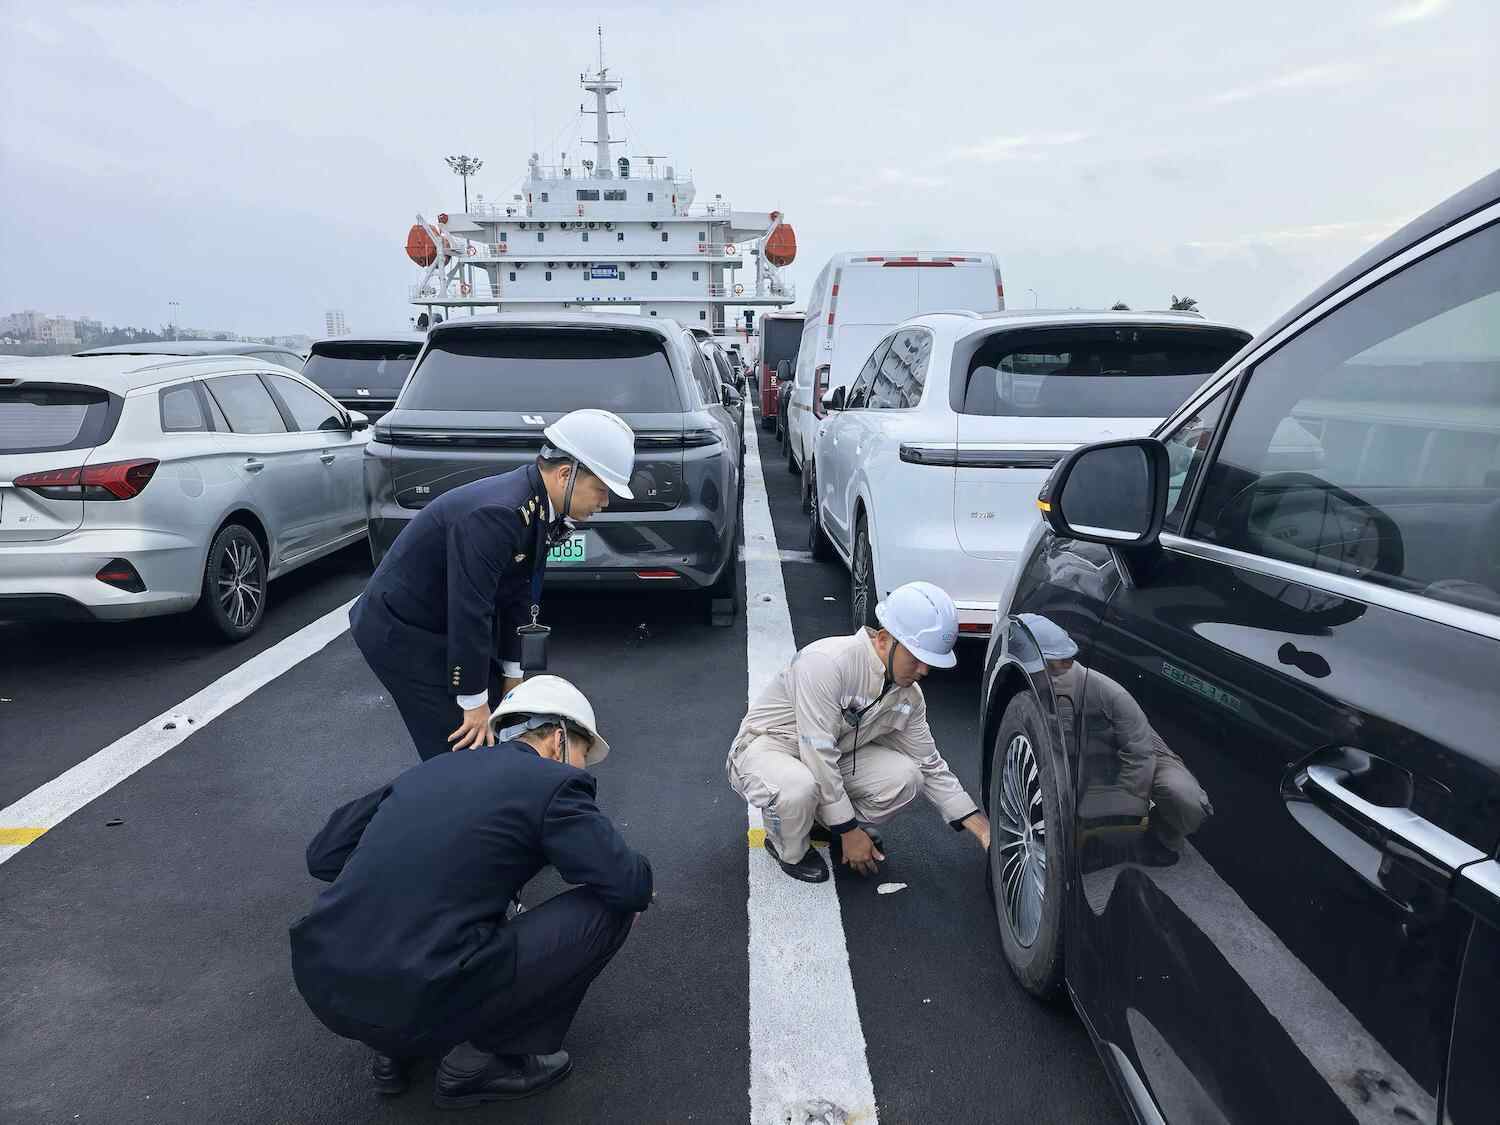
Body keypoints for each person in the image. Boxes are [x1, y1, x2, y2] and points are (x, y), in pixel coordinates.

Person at [289, 676, 652, 1108]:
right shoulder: (553, 784)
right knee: (611, 909)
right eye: (581, 756)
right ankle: (481, 1062)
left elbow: (324, 854)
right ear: (558, 739)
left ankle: (392, 1047)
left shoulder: (432, 769)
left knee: (452, 887)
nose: (580, 770)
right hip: (417, 993)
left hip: (327, 983)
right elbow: (628, 883)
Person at [350, 409, 635, 760]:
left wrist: (511, 674)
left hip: (445, 622)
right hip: (404, 630)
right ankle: (453, 805)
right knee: (462, 742)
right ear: (566, 474)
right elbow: (472, 610)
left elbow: (516, 595)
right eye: (602, 490)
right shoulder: (497, 514)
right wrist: (473, 702)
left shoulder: (538, 506)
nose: (605, 503)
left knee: (502, 720)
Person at [727, 581, 991, 882]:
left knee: (906, 777)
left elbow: (929, 765)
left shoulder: (908, 697)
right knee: (797, 786)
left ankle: (822, 824)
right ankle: (785, 844)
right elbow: (818, 752)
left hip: (827, 756)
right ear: (882, 639)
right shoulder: (827, 663)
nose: (924, 671)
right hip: (768, 748)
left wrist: (983, 830)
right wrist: (850, 831)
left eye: (929, 662)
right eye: (916, 658)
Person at [1019, 613, 1213, 866]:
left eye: (1060, 664)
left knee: (1185, 798)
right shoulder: (1029, 689)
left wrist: (1121, 813)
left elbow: (1140, 755)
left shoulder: (1110, 693)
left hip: (1139, 756)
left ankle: (1162, 835)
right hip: (1084, 761)